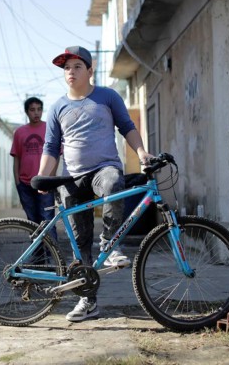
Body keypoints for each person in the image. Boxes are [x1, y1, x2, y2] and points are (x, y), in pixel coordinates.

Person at [38, 46, 154, 322]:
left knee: (114, 183)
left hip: (104, 168)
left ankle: (110, 245)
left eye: (77, 66)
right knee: (80, 243)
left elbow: (127, 126)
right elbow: (51, 146)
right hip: (72, 178)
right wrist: (44, 175)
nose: (71, 72)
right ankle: (87, 302)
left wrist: (141, 153)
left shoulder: (107, 96)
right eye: (66, 68)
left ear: (90, 71)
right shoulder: (57, 107)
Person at [11, 97, 57, 240]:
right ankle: (37, 259)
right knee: (32, 222)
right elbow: (17, 158)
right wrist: (18, 182)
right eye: (32, 110)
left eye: (39, 109)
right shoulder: (19, 132)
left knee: (47, 220)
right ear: (26, 112)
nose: (36, 113)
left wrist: (51, 178)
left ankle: (52, 259)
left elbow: (56, 154)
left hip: (45, 183)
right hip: (25, 184)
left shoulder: (49, 128)